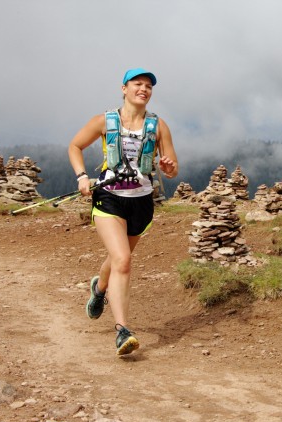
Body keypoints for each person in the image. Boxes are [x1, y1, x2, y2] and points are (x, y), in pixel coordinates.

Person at [68, 68, 179, 356]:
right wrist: (82, 176)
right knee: (123, 260)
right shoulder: (104, 121)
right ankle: (123, 331)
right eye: (137, 84)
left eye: (148, 86)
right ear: (124, 89)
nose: (144, 89)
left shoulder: (159, 126)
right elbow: (75, 146)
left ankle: (99, 288)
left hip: (141, 201)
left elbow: (172, 168)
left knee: (119, 258)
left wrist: (168, 167)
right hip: (109, 198)